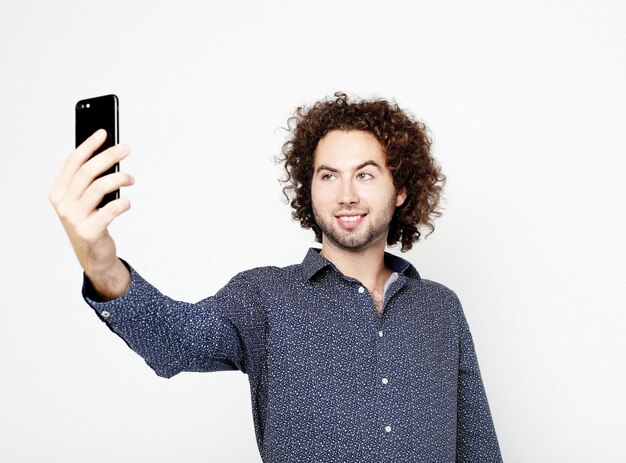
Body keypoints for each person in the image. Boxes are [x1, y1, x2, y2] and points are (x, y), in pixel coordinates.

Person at [49, 92, 503, 462]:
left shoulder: (441, 308)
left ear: (400, 190)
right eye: (328, 176)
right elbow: (173, 341)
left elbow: (478, 450)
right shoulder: (264, 297)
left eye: (365, 175)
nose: (346, 194)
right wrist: (101, 263)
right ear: (310, 189)